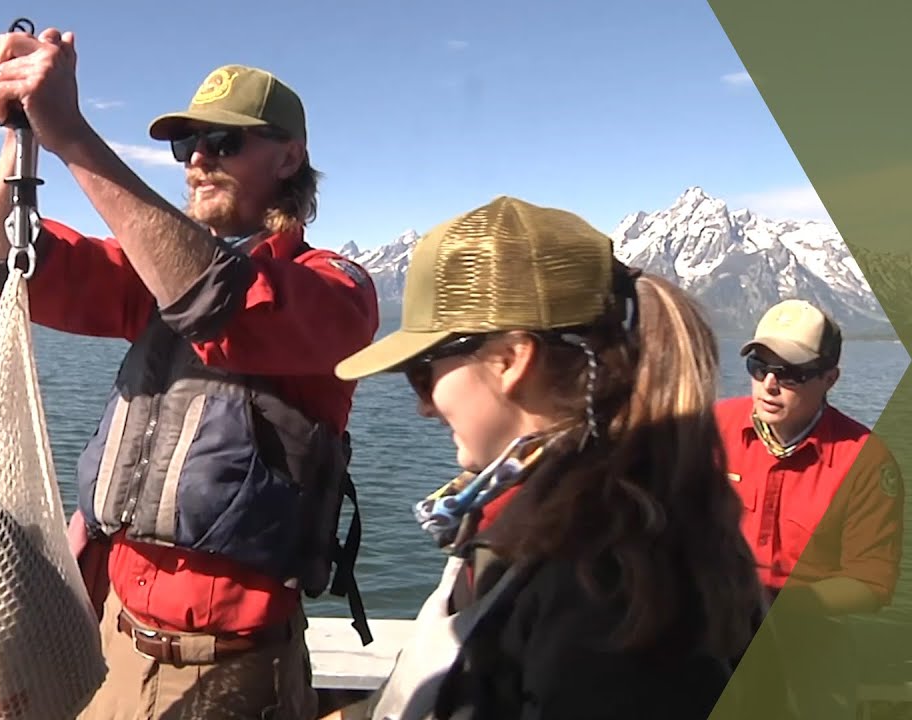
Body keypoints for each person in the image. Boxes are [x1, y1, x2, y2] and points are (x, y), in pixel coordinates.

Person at [0, 27, 381, 720]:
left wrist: (72, 133)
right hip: (110, 643)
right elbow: (10, 263)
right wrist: (23, 131)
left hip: (232, 673)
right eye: (184, 144)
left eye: (223, 143)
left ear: (289, 157)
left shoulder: (336, 290)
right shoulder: (153, 278)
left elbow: (218, 301)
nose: (196, 159)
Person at [324, 196, 767, 720]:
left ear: (510, 360)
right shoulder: (544, 523)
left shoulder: (603, 588)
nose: (424, 407)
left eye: (424, 372)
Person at [715, 299, 905, 718]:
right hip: (711, 621)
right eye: (758, 366)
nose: (768, 384)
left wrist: (779, 603)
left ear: (830, 378)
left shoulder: (865, 461)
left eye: (791, 374)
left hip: (811, 631)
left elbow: (870, 582)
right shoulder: (713, 429)